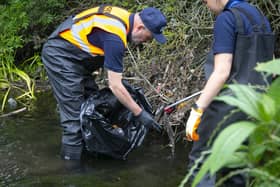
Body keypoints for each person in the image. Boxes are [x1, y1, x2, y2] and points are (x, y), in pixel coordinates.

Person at [41, 5, 166, 161]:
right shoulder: (115, 38)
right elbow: (115, 86)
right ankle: (70, 173)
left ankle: (88, 155)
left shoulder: (124, 17)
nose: (146, 42)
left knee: (92, 109)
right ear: (140, 28)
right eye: (148, 37)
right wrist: (139, 113)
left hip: (77, 58)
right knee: (74, 120)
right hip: (60, 56)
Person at [185, 0, 274, 186]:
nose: (206, 5)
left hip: (228, 105)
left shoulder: (227, 18)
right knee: (237, 166)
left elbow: (222, 71)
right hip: (257, 105)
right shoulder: (260, 17)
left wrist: (197, 109)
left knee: (201, 162)